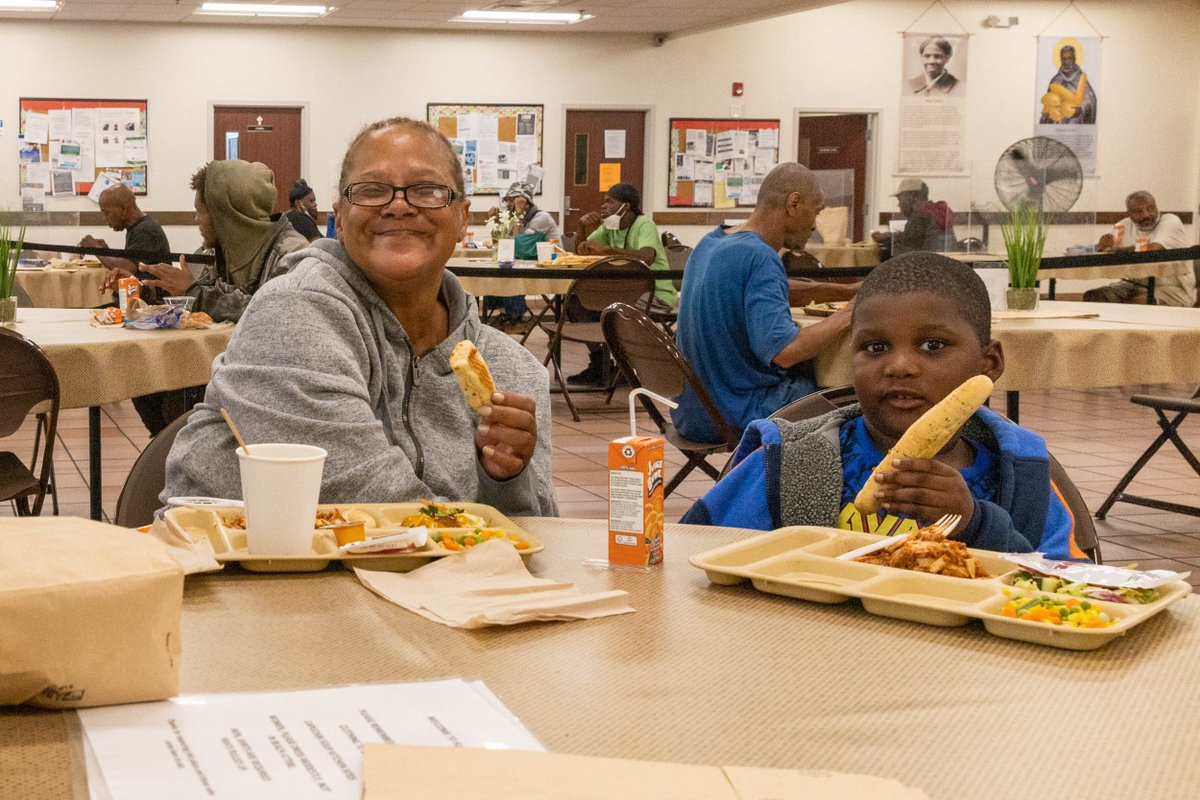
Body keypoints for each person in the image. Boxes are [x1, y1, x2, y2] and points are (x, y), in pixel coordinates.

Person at [162, 116, 557, 517]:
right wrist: (489, 537)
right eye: (371, 191)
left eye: (427, 190)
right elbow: (366, 505)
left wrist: (505, 482)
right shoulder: (292, 314)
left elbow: (537, 533)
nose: (399, 206)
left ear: (462, 218)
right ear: (340, 220)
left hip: (441, 574)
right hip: (239, 572)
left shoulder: (513, 370)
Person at [681, 253, 1084, 561]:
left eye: (933, 346)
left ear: (988, 362)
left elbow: (1067, 587)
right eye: (875, 348)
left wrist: (976, 523)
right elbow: (695, 554)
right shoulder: (787, 463)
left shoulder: (1021, 475)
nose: (900, 366)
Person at [672, 163, 857, 444]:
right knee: (851, 397)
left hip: (693, 413)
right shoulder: (760, 257)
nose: (814, 226)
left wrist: (842, 290)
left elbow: (772, 287)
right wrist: (850, 312)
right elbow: (786, 351)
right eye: (816, 212)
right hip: (739, 413)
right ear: (793, 204)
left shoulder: (712, 243)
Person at [137, 159, 308, 324]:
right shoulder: (220, 251)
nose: (197, 219)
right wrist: (142, 290)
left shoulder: (292, 252)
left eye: (200, 211)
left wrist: (195, 292)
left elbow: (272, 314)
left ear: (225, 216)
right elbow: (195, 308)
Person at [570, 183, 677, 384]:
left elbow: (647, 257)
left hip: (655, 293)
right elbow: (580, 252)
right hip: (620, 293)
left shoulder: (644, 224)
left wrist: (607, 250)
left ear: (625, 206)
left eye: (609, 202)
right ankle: (600, 364)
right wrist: (581, 226)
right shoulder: (610, 227)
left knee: (617, 312)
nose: (603, 207)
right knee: (575, 302)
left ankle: (626, 367)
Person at [1083, 191, 1195, 306]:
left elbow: (1153, 250)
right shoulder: (1123, 225)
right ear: (1129, 213)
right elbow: (1107, 250)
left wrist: (1118, 250)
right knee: (1095, 296)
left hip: (1172, 288)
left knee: (1141, 301)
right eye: (1139, 211)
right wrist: (1102, 245)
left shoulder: (1170, 221)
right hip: (1133, 284)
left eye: (1151, 208)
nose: (1146, 215)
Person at [487, 181, 561, 333]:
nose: (507, 204)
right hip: (529, 261)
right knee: (501, 269)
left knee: (510, 273)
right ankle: (506, 314)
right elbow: (500, 244)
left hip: (551, 265)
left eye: (510, 200)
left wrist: (518, 214)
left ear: (524, 200)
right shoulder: (517, 218)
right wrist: (494, 221)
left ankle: (520, 317)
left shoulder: (541, 218)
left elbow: (518, 246)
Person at [88, 184, 172, 305]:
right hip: (142, 298)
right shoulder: (138, 227)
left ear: (123, 210)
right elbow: (131, 261)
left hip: (152, 303)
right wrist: (106, 251)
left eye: (106, 213)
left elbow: (126, 268)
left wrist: (95, 249)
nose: (105, 218)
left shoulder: (145, 230)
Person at [871, 179, 957, 258]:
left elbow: (905, 252)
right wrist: (888, 236)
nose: (899, 205)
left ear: (910, 197)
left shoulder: (920, 216)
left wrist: (886, 241)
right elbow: (913, 238)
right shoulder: (936, 212)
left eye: (900, 200)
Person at [1039, 44, 1097, 124]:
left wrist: (1081, 109)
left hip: (1075, 126)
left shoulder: (1081, 79)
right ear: (1060, 60)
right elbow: (1048, 104)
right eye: (1064, 59)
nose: (1066, 62)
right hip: (1057, 126)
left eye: (1069, 58)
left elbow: (1091, 101)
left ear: (1074, 59)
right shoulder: (1055, 80)